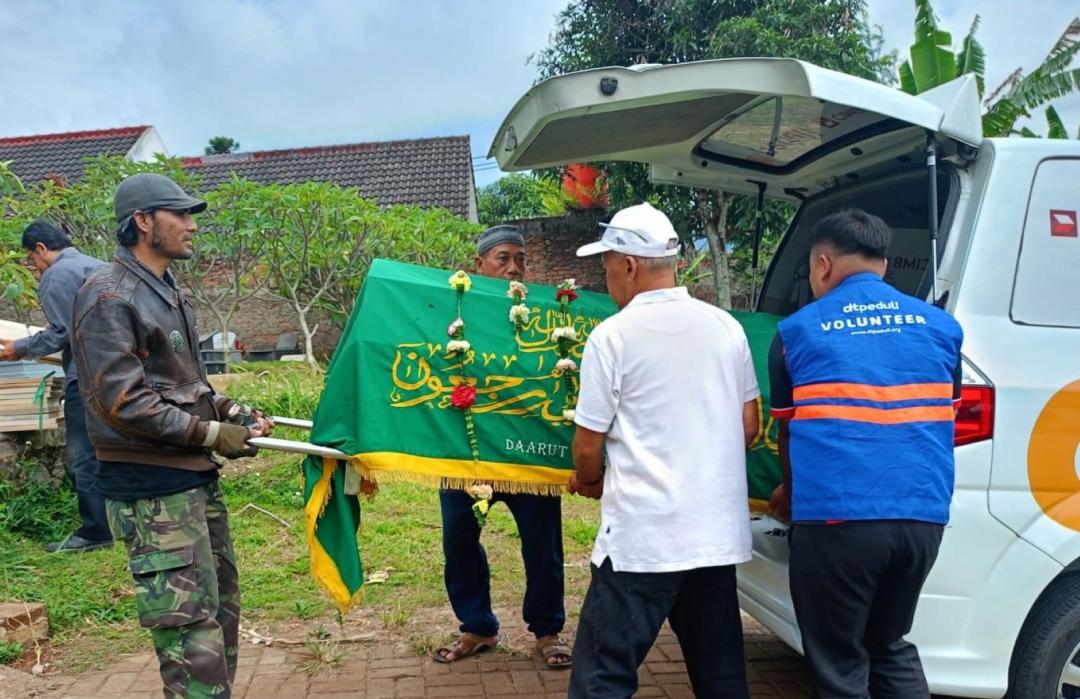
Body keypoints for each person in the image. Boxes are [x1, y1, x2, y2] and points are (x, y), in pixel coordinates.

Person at [71, 173, 274, 698]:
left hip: (192, 479)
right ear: (142, 222)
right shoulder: (107, 297)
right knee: (187, 630)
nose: (192, 225)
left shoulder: (163, 290)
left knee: (220, 611)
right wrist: (211, 433)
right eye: (179, 214)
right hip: (152, 491)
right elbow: (124, 402)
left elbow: (188, 383)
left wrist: (236, 412)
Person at [767, 209, 963, 698]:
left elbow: (789, 431)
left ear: (823, 265)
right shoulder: (942, 328)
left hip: (838, 521)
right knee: (888, 642)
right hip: (922, 518)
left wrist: (789, 494)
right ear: (884, 262)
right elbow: (944, 417)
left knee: (839, 661)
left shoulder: (797, 333)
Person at [568, 203, 759, 698]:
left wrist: (589, 480)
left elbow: (587, 444)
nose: (607, 279)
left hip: (642, 540)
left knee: (603, 676)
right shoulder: (725, 328)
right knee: (721, 676)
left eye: (607, 266)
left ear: (629, 266)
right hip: (713, 537)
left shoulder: (613, 336)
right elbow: (749, 426)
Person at [433, 224, 572, 669]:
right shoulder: (452, 311)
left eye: (521, 260)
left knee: (542, 544)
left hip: (526, 455)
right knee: (459, 539)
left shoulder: (542, 316)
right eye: (503, 259)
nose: (514, 268)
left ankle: (548, 631)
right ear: (478, 266)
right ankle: (477, 627)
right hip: (467, 457)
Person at [0, 221, 109, 552]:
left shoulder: (58, 276)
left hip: (87, 378)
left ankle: (96, 531)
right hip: (121, 375)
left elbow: (63, 332)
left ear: (41, 249)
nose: (35, 268)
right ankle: (123, 520)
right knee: (116, 450)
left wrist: (16, 348)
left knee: (83, 457)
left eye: (32, 260)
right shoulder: (101, 267)